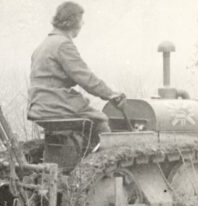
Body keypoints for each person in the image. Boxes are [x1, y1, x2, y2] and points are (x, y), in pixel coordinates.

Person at [27, 1, 125, 142]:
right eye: (81, 19)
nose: (83, 24)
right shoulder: (63, 44)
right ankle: (99, 163)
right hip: (56, 105)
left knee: (86, 125)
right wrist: (111, 94)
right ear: (73, 21)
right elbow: (86, 78)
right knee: (100, 121)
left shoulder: (44, 45)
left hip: (38, 107)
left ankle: (78, 156)